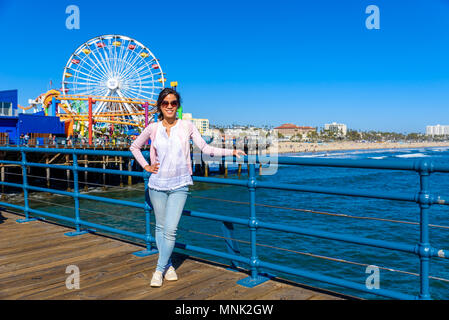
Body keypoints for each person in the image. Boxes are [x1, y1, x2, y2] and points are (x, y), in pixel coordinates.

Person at [130, 88, 245, 287]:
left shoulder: (187, 126)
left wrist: (231, 151)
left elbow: (206, 149)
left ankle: (158, 270)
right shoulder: (153, 128)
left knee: (171, 230)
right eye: (165, 103)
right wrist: (146, 166)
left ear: (178, 105)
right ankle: (168, 266)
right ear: (160, 106)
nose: (169, 106)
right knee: (160, 226)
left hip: (180, 184)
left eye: (173, 103)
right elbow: (134, 147)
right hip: (156, 184)